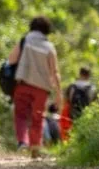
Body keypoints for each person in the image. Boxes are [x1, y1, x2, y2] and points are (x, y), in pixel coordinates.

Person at [7, 16, 64, 157]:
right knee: (37, 117)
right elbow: (55, 72)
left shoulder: (25, 40)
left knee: (20, 115)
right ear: (47, 30)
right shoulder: (49, 47)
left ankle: (23, 143)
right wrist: (58, 94)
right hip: (41, 89)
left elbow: (11, 60)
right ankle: (35, 146)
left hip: (23, 84)